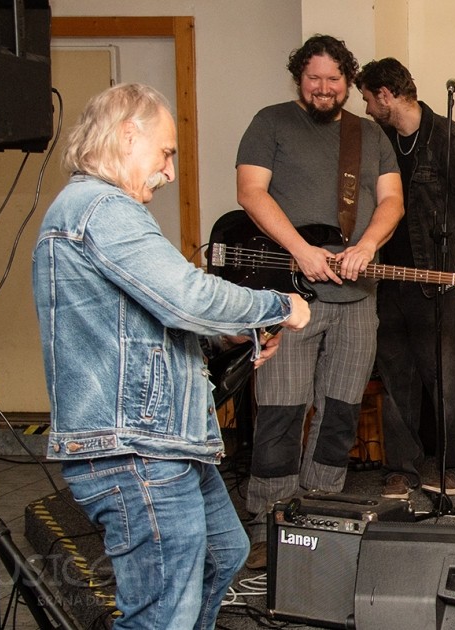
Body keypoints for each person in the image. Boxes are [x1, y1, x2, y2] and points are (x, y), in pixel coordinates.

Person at [32, 83, 310, 629]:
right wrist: (278, 304)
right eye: (165, 153)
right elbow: (187, 296)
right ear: (127, 135)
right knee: (163, 613)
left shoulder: (97, 210)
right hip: (136, 450)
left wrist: (233, 337)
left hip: (162, 442)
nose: (170, 171)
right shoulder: (101, 207)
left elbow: (149, 325)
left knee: (222, 554)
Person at [235, 35, 403, 569]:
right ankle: (269, 524)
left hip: (357, 296)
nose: (324, 88)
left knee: (340, 412)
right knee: (281, 410)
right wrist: (300, 250)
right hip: (288, 296)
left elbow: (393, 200)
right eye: (314, 78)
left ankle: (319, 512)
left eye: (334, 79)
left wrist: (368, 245)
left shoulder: (369, 134)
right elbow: (250, 192)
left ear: (349, 82)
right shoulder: (270, 122)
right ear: (298, 78)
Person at [355, 58, 455, 498]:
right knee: (396, 378)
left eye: (368, 99)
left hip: (442, 279)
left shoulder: (448, 138)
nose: (366, 109)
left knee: (450, 377)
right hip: (388, 277)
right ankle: (402, 469)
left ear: (385, 95)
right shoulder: (378, 142)